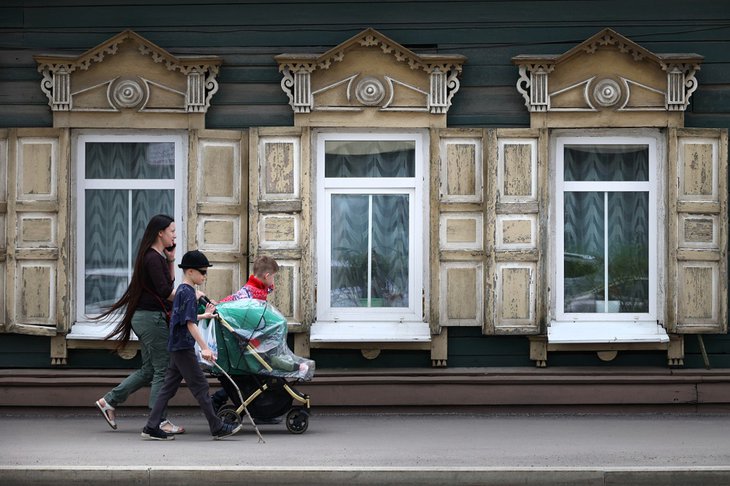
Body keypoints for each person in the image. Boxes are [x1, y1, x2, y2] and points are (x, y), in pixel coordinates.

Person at [94, 214, 187, 435]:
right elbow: (166, 292)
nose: (175, 235)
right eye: (172, 231)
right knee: (163, 368)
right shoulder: (152, 258)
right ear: (160, 233)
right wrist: (191, 295)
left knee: (149, 370)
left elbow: (166, 285)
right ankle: (158, 421)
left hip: (146, 318)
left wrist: (171, 260)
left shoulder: (156, 257)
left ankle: (109, 401)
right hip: (151, 319)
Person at [141, 250, 242, 441]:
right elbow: (189, 323)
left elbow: (184, 317)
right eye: (202, 272)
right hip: (183, 347)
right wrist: (205, 348)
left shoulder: (182, 290)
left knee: (168, 388)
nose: (205, 276)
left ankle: (151, 427)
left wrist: (204, 315)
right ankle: (217, 427)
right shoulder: (188, 293)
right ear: (190, 272)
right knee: (201, 386)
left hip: (177, 345)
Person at [212, 255, 279, 411]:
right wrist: (219, 305)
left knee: (253, 375)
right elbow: (234, 302)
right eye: (273, 277)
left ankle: (258, 406)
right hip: (247, 340)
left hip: (253, 338)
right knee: (253, 374)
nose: (273, 281)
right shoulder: (248, 294)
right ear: (267, 276)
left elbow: (268, 286)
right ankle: (221, 398)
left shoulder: (259, 287)